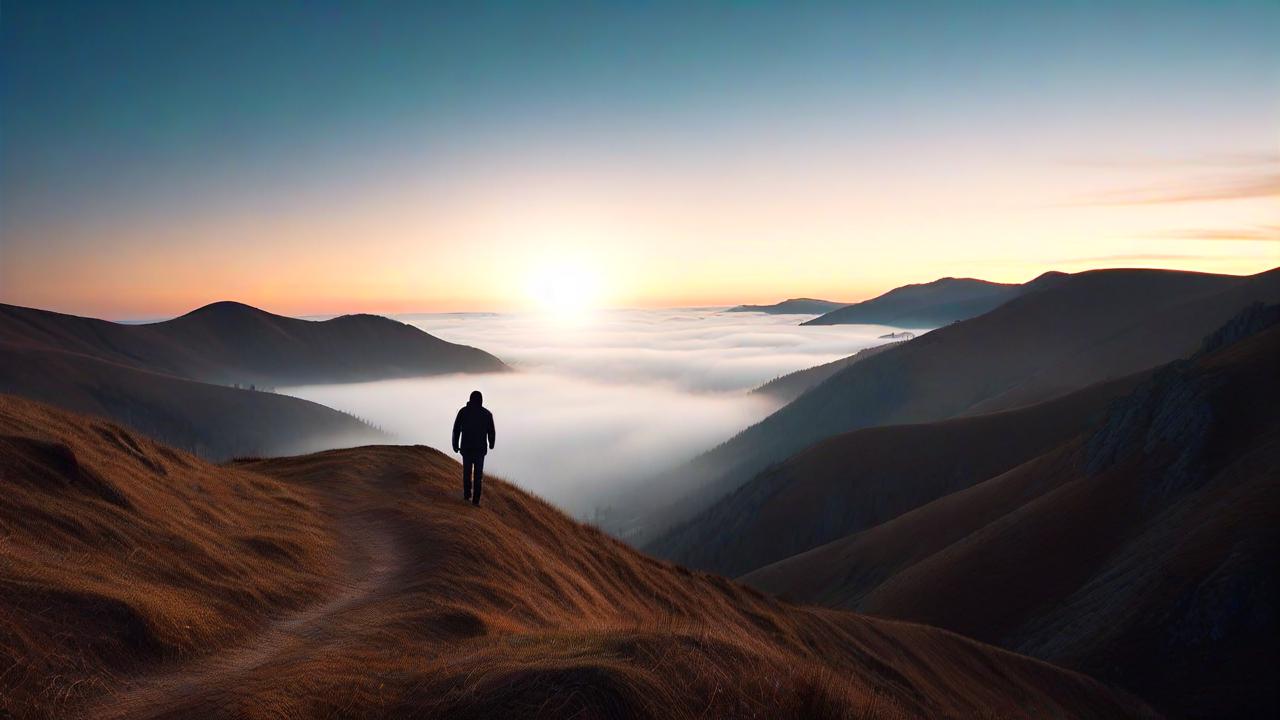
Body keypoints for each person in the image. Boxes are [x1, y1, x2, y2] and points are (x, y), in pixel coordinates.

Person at [452, 390, 495, 506]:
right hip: (480, 450)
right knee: (478, 476)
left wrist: (455, 445)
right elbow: (491, 432)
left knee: (467, 473)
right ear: (481, 400)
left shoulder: (463, 412)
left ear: (470, 399)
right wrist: (491, 444)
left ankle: (467, 496)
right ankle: (475, 501)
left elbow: (456, 430)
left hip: (466, 449)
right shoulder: (487, 414)